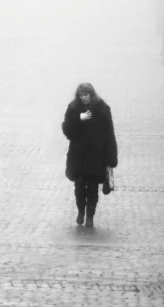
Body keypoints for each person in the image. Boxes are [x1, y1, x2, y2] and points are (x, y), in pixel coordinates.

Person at [62, 82, 118, 228]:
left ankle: (90, 217)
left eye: (86, 95)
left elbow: (109, 134)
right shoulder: (73, 108)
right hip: (78, 156)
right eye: (81, 95)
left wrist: (110, 158)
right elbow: (68, 131)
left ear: (91, 94)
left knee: (93, 189)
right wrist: (78, 120)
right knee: (79, 188)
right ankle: (81, 212)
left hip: (96, 156)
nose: (84, 98)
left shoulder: (102, 109)